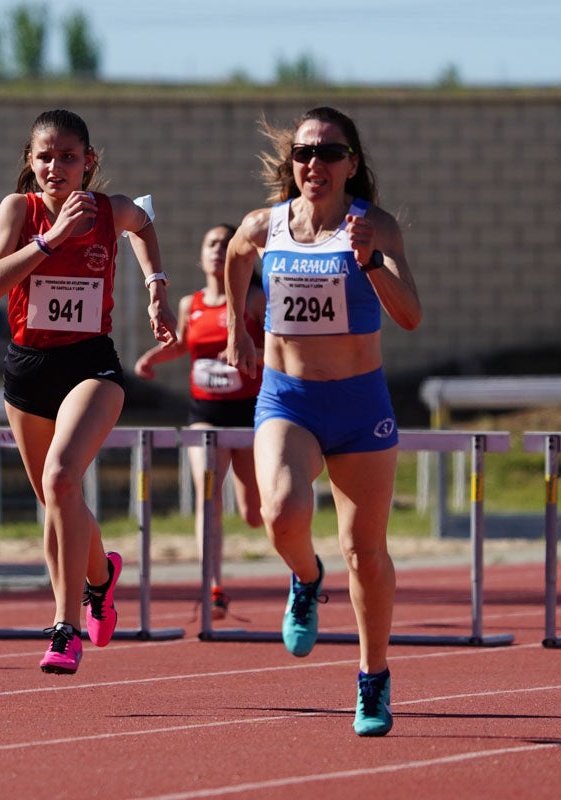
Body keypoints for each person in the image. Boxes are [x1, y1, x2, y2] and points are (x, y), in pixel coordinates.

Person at [223, 106, 423, 736]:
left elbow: (411, 315)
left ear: (351, 165)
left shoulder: (376, 227)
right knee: (280, 510)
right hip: (290, 399)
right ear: (293, 164)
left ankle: (373, 679)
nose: (315, 165)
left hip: (361, 406)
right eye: (304, 154)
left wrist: (369, 262)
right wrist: (238, 329)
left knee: (365, 553)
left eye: (330, 154)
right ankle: (306, 578)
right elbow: (235, 252)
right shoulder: (268, 224)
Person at [0, 108, 177, 675]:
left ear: (89, 162)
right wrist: (52, 238)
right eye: (45, 157)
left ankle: (65, 628)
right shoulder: (20, 211)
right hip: (28, 370)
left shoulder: (110, 211)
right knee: (55, 499)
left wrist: (156, 288)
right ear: (30, 162)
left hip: (91, 365)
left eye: (68, 156)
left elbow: (145, 225)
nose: (56, 166)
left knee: (62, 477)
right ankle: (102, 576)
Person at [133, 223, 265, 619]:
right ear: (201, 256)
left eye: (227, 244)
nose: (218, 250)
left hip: (250, 413)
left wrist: (249, 350)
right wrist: (151, 358)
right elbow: (184, 343)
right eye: (211, 244)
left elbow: (280, 347)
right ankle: (213, 586)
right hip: (204, 415)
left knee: (255, 511)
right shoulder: (192, 303)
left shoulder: (255, 299)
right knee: (208, 499)